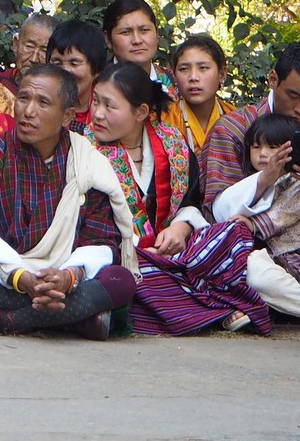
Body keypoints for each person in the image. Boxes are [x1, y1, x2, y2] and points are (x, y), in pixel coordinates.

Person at [0, 65, 139, 337]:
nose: (28, 111)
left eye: (43, 102)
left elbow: (100, 240)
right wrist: (23, 279)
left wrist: (67, 278)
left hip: (65, 279)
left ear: (68, 115)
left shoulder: (88, 165)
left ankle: (1, 320)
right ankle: (74, 320)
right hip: (5, 275)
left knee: (122, 281)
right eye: (23, 98)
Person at [89, 62, 269, 335]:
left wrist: (182, 227)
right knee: (126, 277)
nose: (98, 114)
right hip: (124, 254)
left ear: (141, 112)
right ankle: (218, 309)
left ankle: (187, 299)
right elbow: (89, 222)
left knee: (234, 231)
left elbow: (191, 200)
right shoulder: (83, 149)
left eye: (109, 106)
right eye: (95, 102)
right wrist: (135, 248)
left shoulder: (173, 143)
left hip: (177, 251)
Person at [211, 113, 300, 318]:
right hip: (273, 259)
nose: (263, 154)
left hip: (293, 258)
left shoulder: (295, 180)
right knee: (242, 268)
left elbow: (284, 212)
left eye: (273, 147)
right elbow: (223, 209)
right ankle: (254, 309)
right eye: (257, 146)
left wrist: (253, 225)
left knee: (257, 275)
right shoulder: (251, 181)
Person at [200, 43, 300, 208]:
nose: (298, 109)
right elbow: (216, 213)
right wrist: (262, 181)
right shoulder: (232, 130)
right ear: (273, 79)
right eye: (293, 95)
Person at [165, 34, 231, 158]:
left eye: (203, 68)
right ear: (174, 75)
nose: (193, 77)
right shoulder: (163, 120)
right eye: (184, 69)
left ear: (222, 74)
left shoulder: (236, 119)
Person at [46, 19, 107, 136]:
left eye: (74, 63)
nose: (65, 71)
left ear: (97, 70)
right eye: (57, 63)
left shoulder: (108, 113)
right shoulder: (36, 108)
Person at [102, 0, 174, 91]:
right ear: (108, 39)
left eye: (144, 30)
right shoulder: (97, 84)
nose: (137, 40)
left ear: (157, 33)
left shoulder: (175, 81)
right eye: (126, 32)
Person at [11, 12, 57, 84]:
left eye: (44, 50)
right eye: (29, 46)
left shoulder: (58, 93)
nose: (34, 59)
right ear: (16, 45)